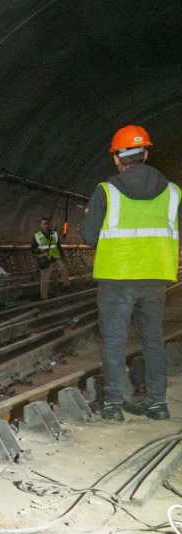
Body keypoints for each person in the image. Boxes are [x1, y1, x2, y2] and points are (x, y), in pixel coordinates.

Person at [81, 124, 180, 422]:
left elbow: (88, 235)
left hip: (116, 278)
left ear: (116, 158)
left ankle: (112, 405)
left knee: (114, 341)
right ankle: (157, 404)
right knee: (153, 339)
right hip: (155, 277)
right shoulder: (174, 192)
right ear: (146, 153)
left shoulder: (107, 191)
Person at [30, 217, 71, 300]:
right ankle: (44, 297)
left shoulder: (54, 234)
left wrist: (62, 256)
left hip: (55, 257)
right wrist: (40, 250)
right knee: (45, 279)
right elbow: (33, 249)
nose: (46, 225)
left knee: (64, 270)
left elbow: (58, 246)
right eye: (44, 224)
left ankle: (67, 286)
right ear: (41, 225)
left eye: (48, 224)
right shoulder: (37, 236)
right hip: (45, 259)